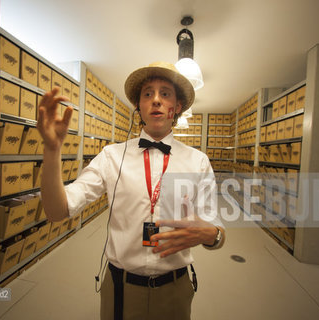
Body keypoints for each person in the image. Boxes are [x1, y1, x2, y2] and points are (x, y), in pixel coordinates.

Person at [37, 61, 225, 320]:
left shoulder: (198, 161)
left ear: (178, 107)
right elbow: (58, 211)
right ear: (139, 106)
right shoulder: (111, 157)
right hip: (120, 289)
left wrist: (212, 234)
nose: (156, 100)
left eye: (165, 93)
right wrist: (52, 150)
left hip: (175, 289)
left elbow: (215, 231)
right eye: (148, 93)